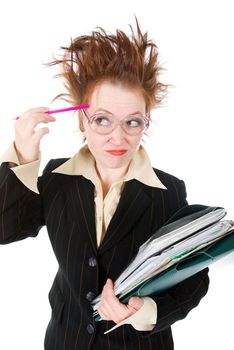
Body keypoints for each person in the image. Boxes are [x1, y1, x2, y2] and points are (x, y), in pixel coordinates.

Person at [0, 19, 209, 350]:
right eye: (102, 119)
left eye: (132, 122)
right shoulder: (57, 179)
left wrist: (145, 311)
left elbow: (193, 279)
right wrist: (24, 157)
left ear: (146, 122)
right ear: (83, 119)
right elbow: (6, 230)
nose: (118, 136)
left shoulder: (169, 192)